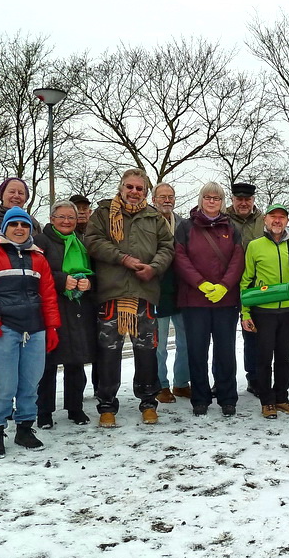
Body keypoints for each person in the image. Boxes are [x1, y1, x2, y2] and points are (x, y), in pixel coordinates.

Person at [0, 207, 60, 458]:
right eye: (13, 224)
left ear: (30, 229)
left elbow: (48, 295)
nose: (19, 228)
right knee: (4, 385)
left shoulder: (38, 259)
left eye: (24, 225)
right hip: (2, 329)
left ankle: (25, 428)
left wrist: (51, 328)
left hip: (34, 330)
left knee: (29, 384)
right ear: (4, 228)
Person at [84, 168, 174, 427]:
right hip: (112, 293)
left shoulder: (154, 218)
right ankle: (107, 405)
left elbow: (167, 247)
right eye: (130, 187)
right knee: (108, 353)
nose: (134, 192)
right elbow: (93, 241)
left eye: (140, 188)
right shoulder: (102, 214)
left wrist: (154, 268)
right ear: (121, 188)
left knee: (147, 351)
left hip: (144, 293)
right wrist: (122, 258)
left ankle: (148, 402)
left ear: (145, 192)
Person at [174, 182, 245, 416]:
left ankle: (227, 398)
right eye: (208, 197)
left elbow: (238, 259)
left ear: (222, 201)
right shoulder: (185, 227)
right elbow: (180, 258)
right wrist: (200, 283)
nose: (212, 201)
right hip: (194, 300)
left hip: (225, 301)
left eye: (216, 198)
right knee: (197, 351)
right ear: (201, 199)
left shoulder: (232, 227)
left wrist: (225, 285)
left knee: (225, 351)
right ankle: (200, 398)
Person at [240, 204, 289, 419]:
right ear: (265, 220)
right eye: (273, 217)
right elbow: (246, 280)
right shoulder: (255, 246)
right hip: (263, 311)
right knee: (263, 358)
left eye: (282, 217)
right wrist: (245, 313)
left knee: (284, 358)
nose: (277, 221)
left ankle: (281, 398)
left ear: (287, 221)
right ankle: (267, 401)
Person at [33, 200, 97, 428]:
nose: (67, 221)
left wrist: (88, 283)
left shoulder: (81, 242)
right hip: (51, 308)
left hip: (79, 309)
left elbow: (94, 271)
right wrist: (62, 280)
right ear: (52, 219)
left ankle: (75, 408)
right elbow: (35, 271)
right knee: (48, 365)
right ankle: (44, 412)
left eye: (71, 217)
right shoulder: (40, 241)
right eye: (61, 217)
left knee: (75, 363)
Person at [152, 182, 191, 403]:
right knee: (160, 343)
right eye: (162, 196)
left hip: (181, 290)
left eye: (171, 196)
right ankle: (160, 385)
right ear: (154, 199)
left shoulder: (183, 224)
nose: (167, 200)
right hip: (157, 289)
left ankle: (181, 383)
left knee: (185, 341)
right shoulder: (147, 222)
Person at [226, 182, 265, 397]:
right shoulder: (222, 220)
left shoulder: (262, 221)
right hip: (227, 285)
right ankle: (223, 380)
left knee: (253, 334)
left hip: (255, 287)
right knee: (225, 337)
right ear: (232, 199)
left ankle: (254, 378)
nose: (243, 203)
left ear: (252, 200)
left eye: (247, 199)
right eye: (239, 199)